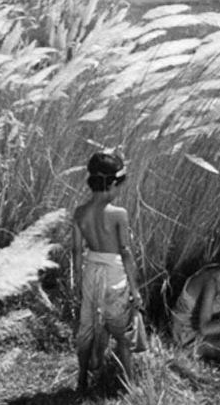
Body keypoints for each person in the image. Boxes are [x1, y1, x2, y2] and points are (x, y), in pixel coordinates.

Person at [71, 152, 143, 394]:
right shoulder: (118, 214)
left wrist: (79, 282)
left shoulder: (80, 212)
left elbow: (76, 251)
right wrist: (135, 289)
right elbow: (125, 252)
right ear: (112, 184)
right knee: (122, 334)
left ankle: (81, 381)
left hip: (91, 272)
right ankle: (130, 385)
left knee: (87, 329)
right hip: (114, 276)